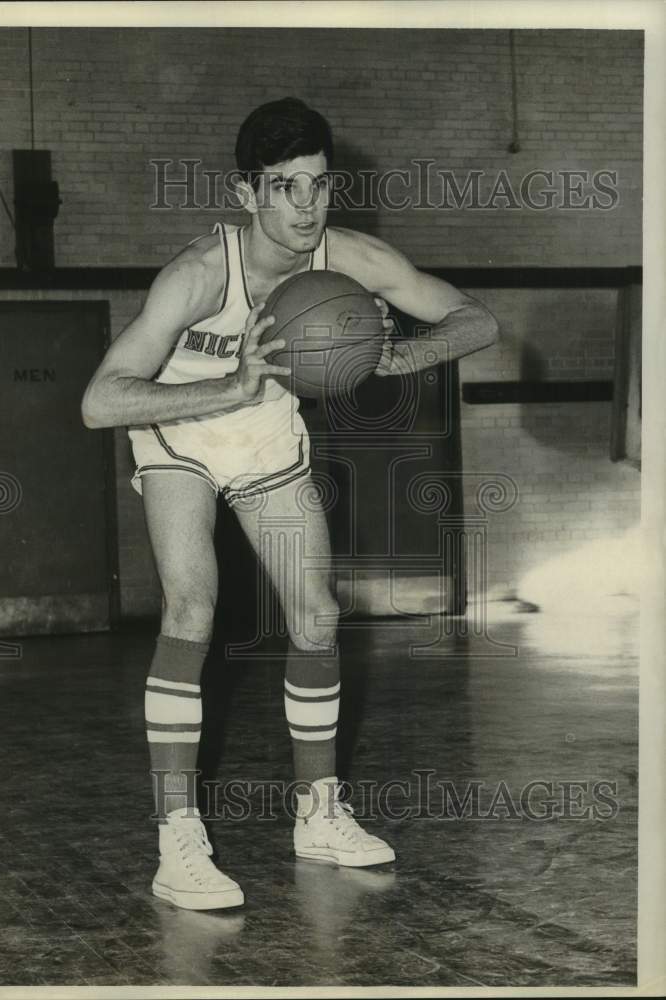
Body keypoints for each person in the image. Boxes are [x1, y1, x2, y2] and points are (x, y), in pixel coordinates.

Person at [81, 97, 498, 911]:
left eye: (317, 185)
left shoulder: (348, 259)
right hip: (180, 430)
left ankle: (319, 813)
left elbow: (477, 319)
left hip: (265, 432)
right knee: (192, 607)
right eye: (284, 188)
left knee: (314, 615)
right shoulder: (200, 275)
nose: (305, 207)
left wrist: (396, 352)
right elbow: (100, 401)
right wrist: (226, 383)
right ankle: (178, 838)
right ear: (248, 195)